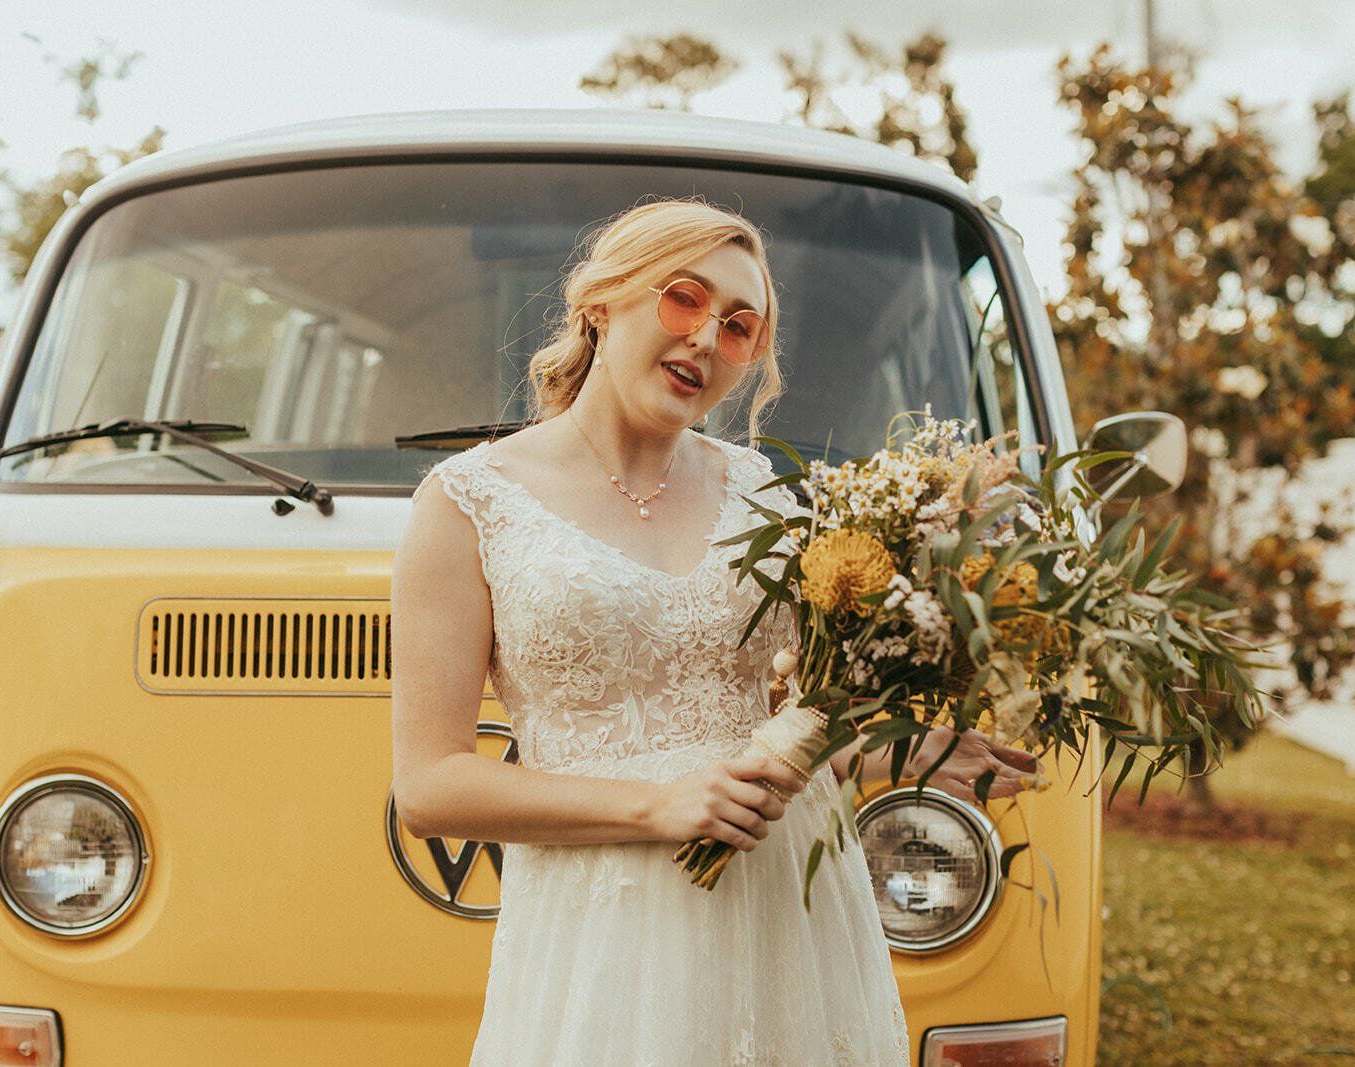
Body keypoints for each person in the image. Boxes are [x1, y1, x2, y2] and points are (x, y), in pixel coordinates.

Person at [389, 198, 1039, 1064]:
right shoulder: (469, 501)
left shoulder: (765, 496)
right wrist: (657, 805)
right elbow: (430, 789)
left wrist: (900, 751)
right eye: (683, 299)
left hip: (790, 916)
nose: (704, 337)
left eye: (738, 326)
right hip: (604, 938)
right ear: (601, 303)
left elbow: (779, 738)